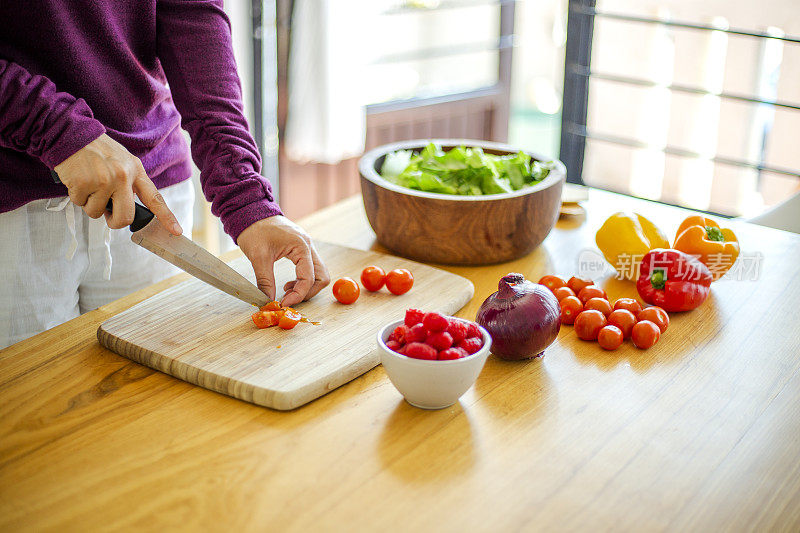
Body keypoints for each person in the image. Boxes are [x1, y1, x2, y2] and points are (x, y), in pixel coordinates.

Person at [0, 1, 330, 349]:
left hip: (151, 197)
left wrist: (246, 196)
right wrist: (58, 131)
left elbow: (195, 16)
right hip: (12, 210)